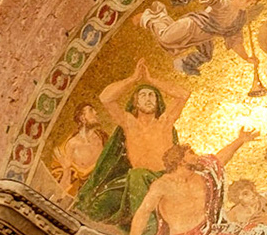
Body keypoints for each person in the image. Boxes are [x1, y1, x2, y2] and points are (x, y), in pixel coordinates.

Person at [73, 60, 191, 226]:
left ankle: (146, 229)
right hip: (133, 182)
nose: (148, 99)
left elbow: (183, 94)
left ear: (158, 102)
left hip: (162, 177)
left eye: (152, 96)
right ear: (135, 102)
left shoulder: (164, 121)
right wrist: (134, 79)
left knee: (137, 175)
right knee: (97, 206)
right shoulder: (129, 122)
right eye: (143, 95)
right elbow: (105, 98)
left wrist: (151, 80)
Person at [128, 127, 258, 235]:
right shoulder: (162, 185)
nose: (196, 157)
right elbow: (143, 212)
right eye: (191, 153)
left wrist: (240, 140)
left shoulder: (203, 174)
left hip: (208, 234)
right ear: (180, 160)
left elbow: (219, 159)